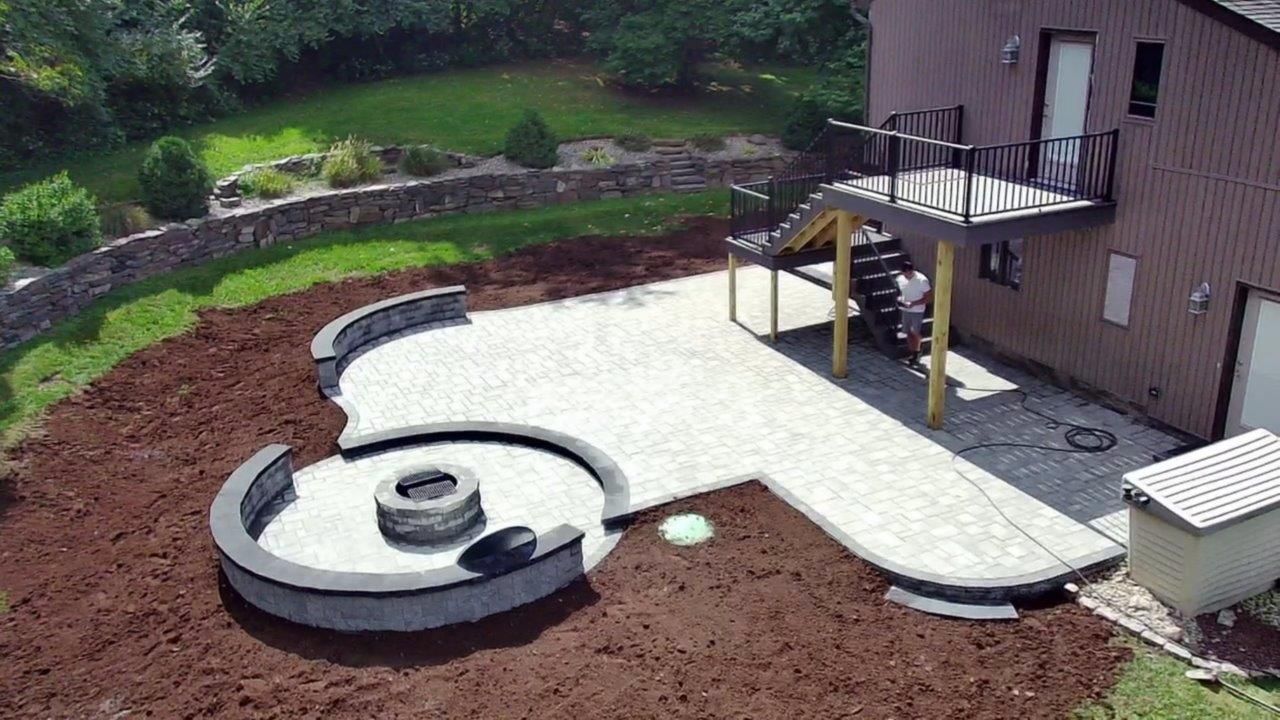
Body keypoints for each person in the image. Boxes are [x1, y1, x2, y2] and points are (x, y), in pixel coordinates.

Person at [895, 261, 932, 366]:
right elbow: (899, 291)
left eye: (909, 274)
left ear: (912, 271)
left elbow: (929, 297)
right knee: (908, 332)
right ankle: (913, 352)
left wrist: (914, 303)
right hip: (905, 309)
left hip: (917, 310)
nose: (907, 276)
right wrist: (900, 300)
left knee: (915, 331)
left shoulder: (922, 280)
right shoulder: (900, 279)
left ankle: (917, 351)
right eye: (905, 274)